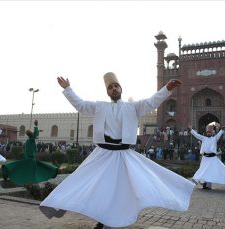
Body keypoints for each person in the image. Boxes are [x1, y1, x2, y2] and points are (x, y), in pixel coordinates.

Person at [39, 72, 195, 229]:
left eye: (116, 86)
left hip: (123, 155)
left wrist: (166, 89)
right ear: (107, 92)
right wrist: (68, 89)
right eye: (110, 87)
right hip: (102, 155)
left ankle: (109, 221)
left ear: (121, 89)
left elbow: (151, 102)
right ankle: (96, 217)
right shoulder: (100, 106)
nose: (113, 89)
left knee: (121, 190)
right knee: (87, 183)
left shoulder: (132, 107)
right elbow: (81, 105)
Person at [1, 120, 58, 186]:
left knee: (25, 171)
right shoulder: (31, 140)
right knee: (32, 173)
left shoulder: (27, 141)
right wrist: (36, 126)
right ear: (31, 134)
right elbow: (35, 134)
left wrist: (37, 131)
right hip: (31, 160)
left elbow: (35, 134)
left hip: (27, 159)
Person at [189, 122, 225, 190]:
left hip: (212, 158)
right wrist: (191, 129)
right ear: (206, 133)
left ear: (212, 133)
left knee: (216, 169)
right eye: (207, 132)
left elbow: (219, 134)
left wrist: (222, 129)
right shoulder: (203, 138)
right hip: (205, 158)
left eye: (210, 133)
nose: (208, 133)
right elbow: (197, 135)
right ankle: (205, 183)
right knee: (203, 170)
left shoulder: (214, 138)